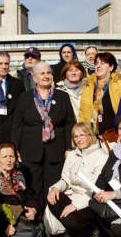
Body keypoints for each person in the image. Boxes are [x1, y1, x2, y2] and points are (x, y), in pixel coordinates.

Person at [11, 61, 76, 210]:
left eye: (48, 73)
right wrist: (16, 149)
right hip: (31, 149)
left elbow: (69, 123)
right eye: (42, 73)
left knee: (54, 186)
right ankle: (37, 217)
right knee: (33, 186)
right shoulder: (24, 97)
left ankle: (53, 220)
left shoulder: (62, 96)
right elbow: (17, 124)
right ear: (34, 78)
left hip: (56, 149)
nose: (46, 76)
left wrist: (69, 147)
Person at [47, 122, 108, 237]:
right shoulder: (72, 155)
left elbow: (96, 188)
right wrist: (55, 188)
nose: (79, 139)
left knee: (70, 220)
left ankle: (94, 226)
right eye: (75, 136)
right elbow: (65, 180)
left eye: (82, 135)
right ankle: (73, 230)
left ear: (90, 136)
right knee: (52, 198)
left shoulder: (102, 156)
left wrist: (75, 205)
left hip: (91, 200)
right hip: (73, 195)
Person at [0, 142, 41, 237]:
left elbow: (31, 197)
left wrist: (33, 210)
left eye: (11, 156)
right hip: (1, 220)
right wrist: (4, 225)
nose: (8, 160)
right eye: (4, 157)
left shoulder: (19, 176)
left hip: (21, 219)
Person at [79, 52, 121, 148]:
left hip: (115, 136)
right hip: (93, 137)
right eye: (96, 63)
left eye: (102, 63)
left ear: (111, 67)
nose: (98, 66)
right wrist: (82, 134)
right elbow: (83, 112)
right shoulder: (88, 86)